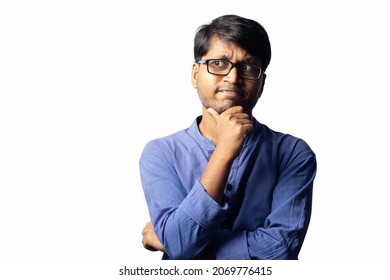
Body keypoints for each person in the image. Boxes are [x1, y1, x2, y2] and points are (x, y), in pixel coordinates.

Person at [139, 14, 317, 260]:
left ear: (262, 84)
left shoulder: (293, 153)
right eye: (219, 63)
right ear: (195, 74)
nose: (233, 78)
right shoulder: (161, 153)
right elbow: (179, 244)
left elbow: (281, 251)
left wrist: (172, 241)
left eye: (247, 67)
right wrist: (223, 153)